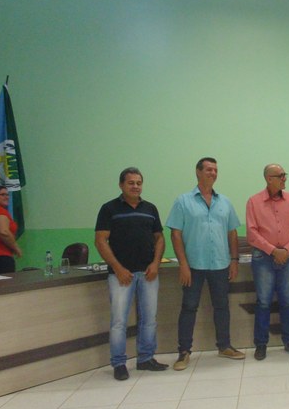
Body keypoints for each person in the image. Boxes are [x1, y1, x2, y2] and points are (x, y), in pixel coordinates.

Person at [167, 157, 244, 370]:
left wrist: (234, 260)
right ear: (198, 172)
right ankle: (184, 352)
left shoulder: (225, 202)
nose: (213, 173)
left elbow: (232, 233)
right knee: (189, 307)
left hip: (220, 264)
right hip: (193, 266)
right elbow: (175, 234)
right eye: (209, 169)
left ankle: (224, 346)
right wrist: (183, 264)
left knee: (222, 306)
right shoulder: (183, 201)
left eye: (215, 170)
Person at [95, 167, 167, 381]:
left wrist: (155, 264)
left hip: (148, 274)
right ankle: (119, 363)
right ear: (121, 185)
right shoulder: (109, 209)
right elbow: (100, 240)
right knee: (119, 321)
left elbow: (159, 238)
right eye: (131, 183)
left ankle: (146, 358)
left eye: (139, 183)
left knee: (149, 319)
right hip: (121, 275)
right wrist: (118, 268)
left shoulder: (150, 208)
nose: (135, 186)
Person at [246, 164, 289, 360]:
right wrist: (273, 250)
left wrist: (286, 250)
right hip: (263, 257)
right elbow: (252, 234)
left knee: (287, 301)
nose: (284, 179)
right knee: (263, 302)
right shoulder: (254, 202)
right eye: (280, 176)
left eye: (284, 175)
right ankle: (261, 344)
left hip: (288, 257)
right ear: (268, 179)